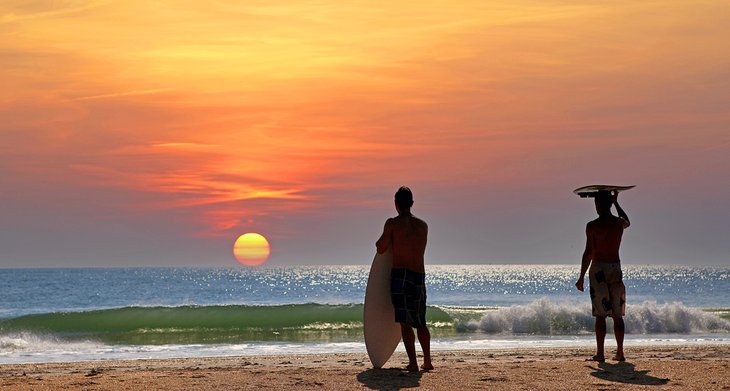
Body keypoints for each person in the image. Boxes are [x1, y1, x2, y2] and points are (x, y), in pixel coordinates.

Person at [376, 186, 432, 372]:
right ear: (412, 203)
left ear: (396, 204)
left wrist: (387, 233)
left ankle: (413, 363)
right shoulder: (423, 226)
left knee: (405, 322)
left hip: (400, 275)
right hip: (419, 275)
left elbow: (381, 248)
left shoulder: (393, 224)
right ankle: (427, 361)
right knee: (421, 321)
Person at [575, 190, 630, 362]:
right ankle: (620, 352)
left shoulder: (592, 226)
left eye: (597, 203)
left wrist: (581, 276)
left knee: (600, 314)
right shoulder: (618, 224)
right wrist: (616, 202)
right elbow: (627, 221)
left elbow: (588, 253)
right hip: (615, 267)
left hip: (598, 269)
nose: (596, 206)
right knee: (617, 314)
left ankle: (600, 354)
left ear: (599, 204)